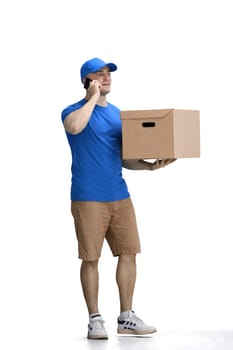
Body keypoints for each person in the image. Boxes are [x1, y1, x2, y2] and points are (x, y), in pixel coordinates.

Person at [61, 57, 176, 339]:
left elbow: (124, 157)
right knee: (91, 258)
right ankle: (94, 319)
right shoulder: (73, 110)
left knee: (129, 252)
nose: (106, 77)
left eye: (108, 73)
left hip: (120, 196)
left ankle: (126, 317)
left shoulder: (117, 115)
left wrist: (148, 165)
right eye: (99, 74)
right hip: (88, 197)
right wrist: (92, 98)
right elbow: (74, 128)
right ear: (86, 81)